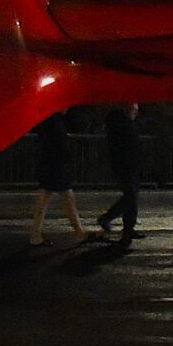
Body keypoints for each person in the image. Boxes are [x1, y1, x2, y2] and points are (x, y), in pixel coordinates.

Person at [29, 111, 88, 245]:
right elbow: (60, 146)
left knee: (43, 203)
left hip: (47, 166)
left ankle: (35, 236)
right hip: (57, 167)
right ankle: (79, 233)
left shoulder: (47, 121)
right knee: (68, 200)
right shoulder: (56, 123)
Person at [97, 103, 143, 243]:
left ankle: (114, 221)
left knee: (130, 196)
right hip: (125, 166)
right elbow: (125, 147)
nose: (136, 113)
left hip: (127, 166)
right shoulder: (122, 126)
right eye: (135, 110)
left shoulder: (121, 124)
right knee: (130, 196)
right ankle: (127, 228)